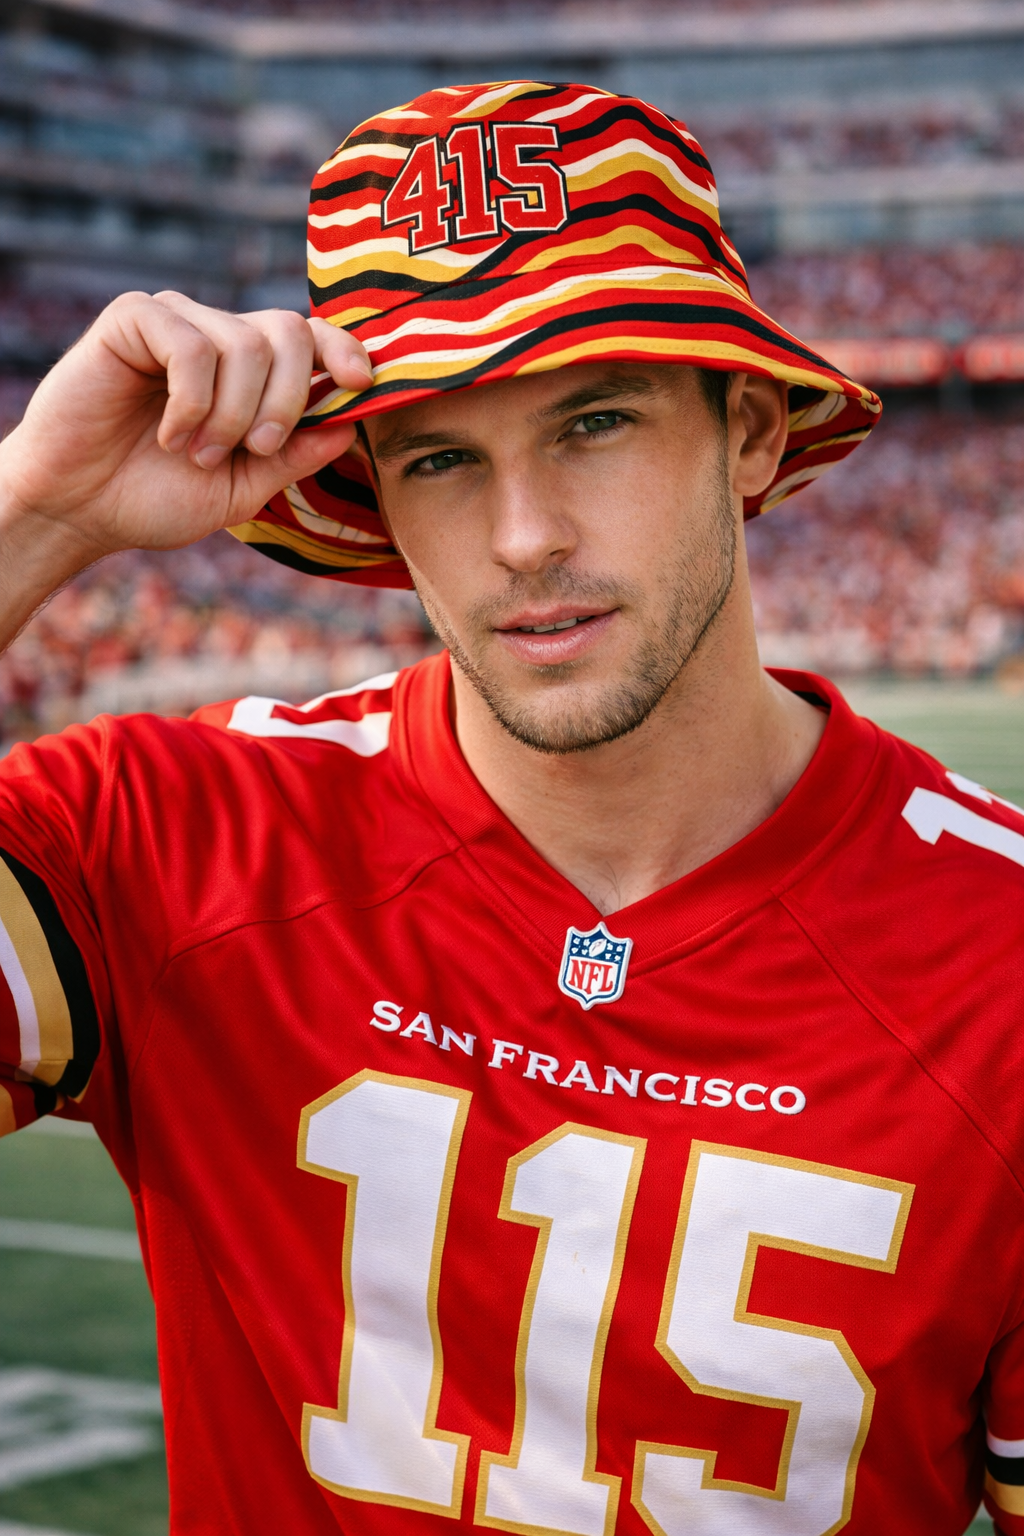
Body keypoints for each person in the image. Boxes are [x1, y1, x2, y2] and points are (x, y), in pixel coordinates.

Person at [0, 79, 1019, 1536]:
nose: (524, 537)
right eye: (439, 458)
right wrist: (36, 508)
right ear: (370, 495)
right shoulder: (167, 836)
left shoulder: (1007, 961)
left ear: (745, 431)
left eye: (592, 423)